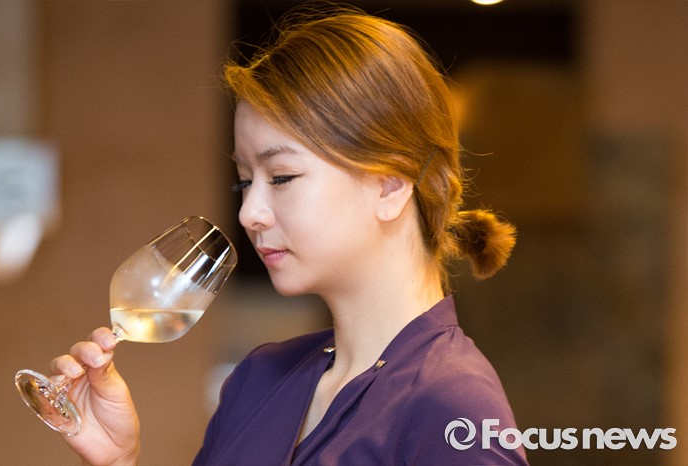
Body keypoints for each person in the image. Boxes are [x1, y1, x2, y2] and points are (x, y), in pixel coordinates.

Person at [50, 6, 528, 465]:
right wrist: (117, 461)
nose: (249, 213)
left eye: (281, 177)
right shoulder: (258, 381)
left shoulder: (453, 407)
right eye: (244, 182)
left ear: (390, 185)